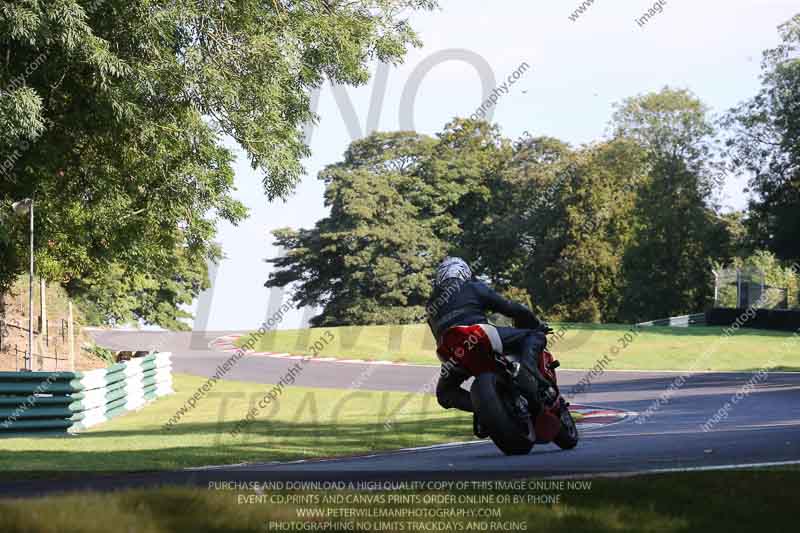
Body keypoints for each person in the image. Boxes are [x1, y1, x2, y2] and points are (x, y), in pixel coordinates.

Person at [426, 257, 549, 437]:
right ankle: (530, 371)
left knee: (445, 393)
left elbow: (438, 336)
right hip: (480, 335)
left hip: (453, 352)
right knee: (534, 335)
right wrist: (534, 323)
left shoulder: (430, 305)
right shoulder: (472, 286)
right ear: (464, 272)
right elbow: (510, 307)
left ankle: (481, 408)